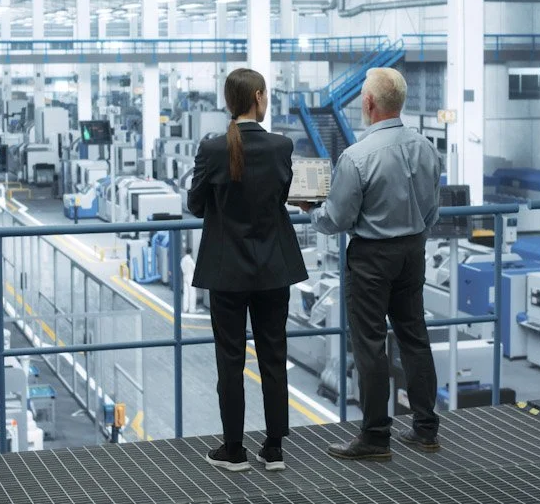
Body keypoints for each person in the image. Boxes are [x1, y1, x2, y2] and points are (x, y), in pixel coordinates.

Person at [298, 67, 443, 461]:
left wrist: (312, 209)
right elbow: (433, 208)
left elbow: (336, 220)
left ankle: (376, 437)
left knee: (370, 345)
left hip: (372, 260)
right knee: (415, 337)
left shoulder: (357, 156)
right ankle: (426, 429)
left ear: (368, 103)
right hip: (413, 252)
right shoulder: (426, 147)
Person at [188, 68, 308, 473]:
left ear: (230, 101)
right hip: (274, 268)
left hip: (227, 272)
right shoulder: (281, 145)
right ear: (258, 97)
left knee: (230, 360)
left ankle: (234, 449)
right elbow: (285, 194)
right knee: (274, 355)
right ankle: (273, 449)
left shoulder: (213, 148)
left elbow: (195, 204)